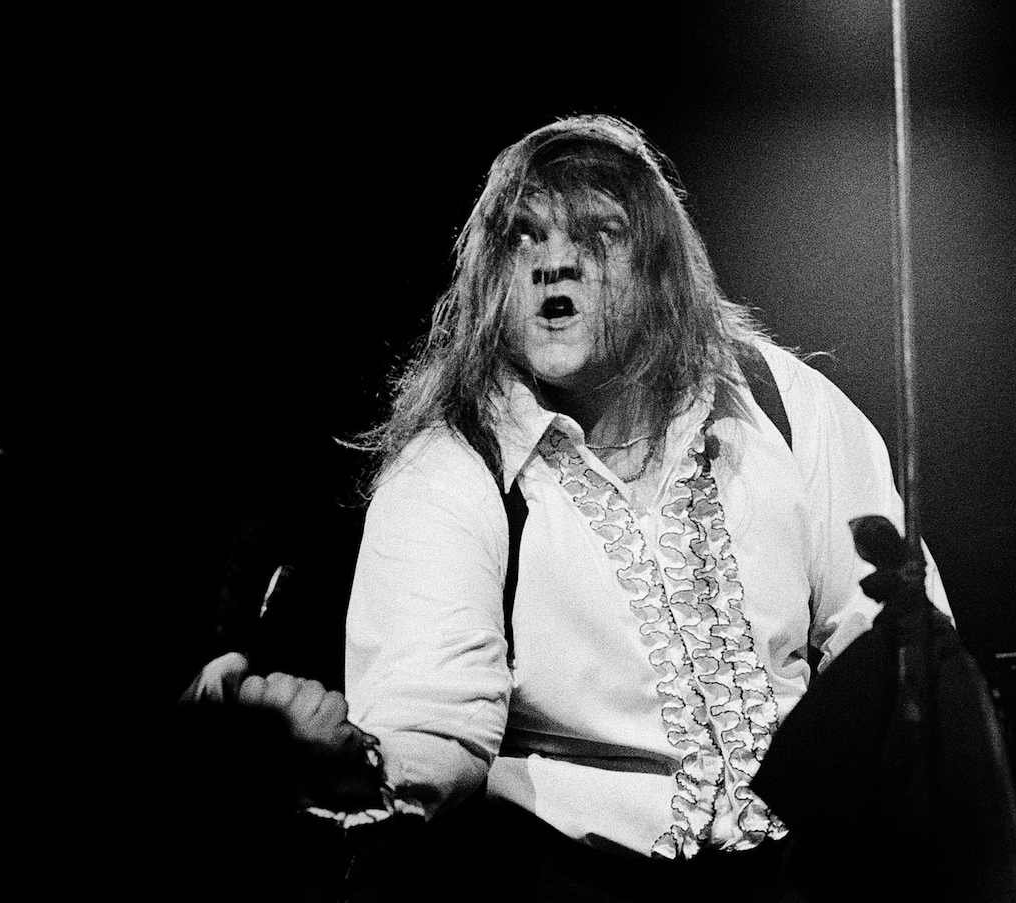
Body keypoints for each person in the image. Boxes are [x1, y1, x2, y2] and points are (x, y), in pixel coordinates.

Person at [199, 113, 952, 901]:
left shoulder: (779, 403)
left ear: (661, 265)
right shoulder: (452, 466)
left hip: (800, 873)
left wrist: (907, 702)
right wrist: (352, 762)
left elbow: (894, 634)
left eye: (598, 233)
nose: (554, 261)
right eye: (523, 236)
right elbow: (433, 714)